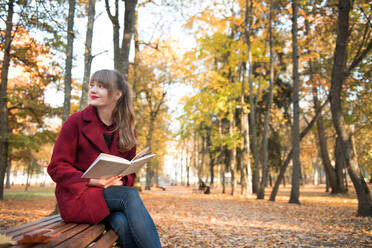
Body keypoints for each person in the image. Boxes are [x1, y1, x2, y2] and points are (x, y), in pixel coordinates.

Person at [47, 69, 162, 248]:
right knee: (130, 197)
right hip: (78, 199)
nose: (93, 90)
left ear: (117, 94)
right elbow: (56, 167)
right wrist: (92, 180)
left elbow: (130, 172)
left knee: (121, 222)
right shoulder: (75, 122)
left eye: (101, 86)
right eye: (92, 85)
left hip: (111, 198)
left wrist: (121, 181)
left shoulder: (127, 129)